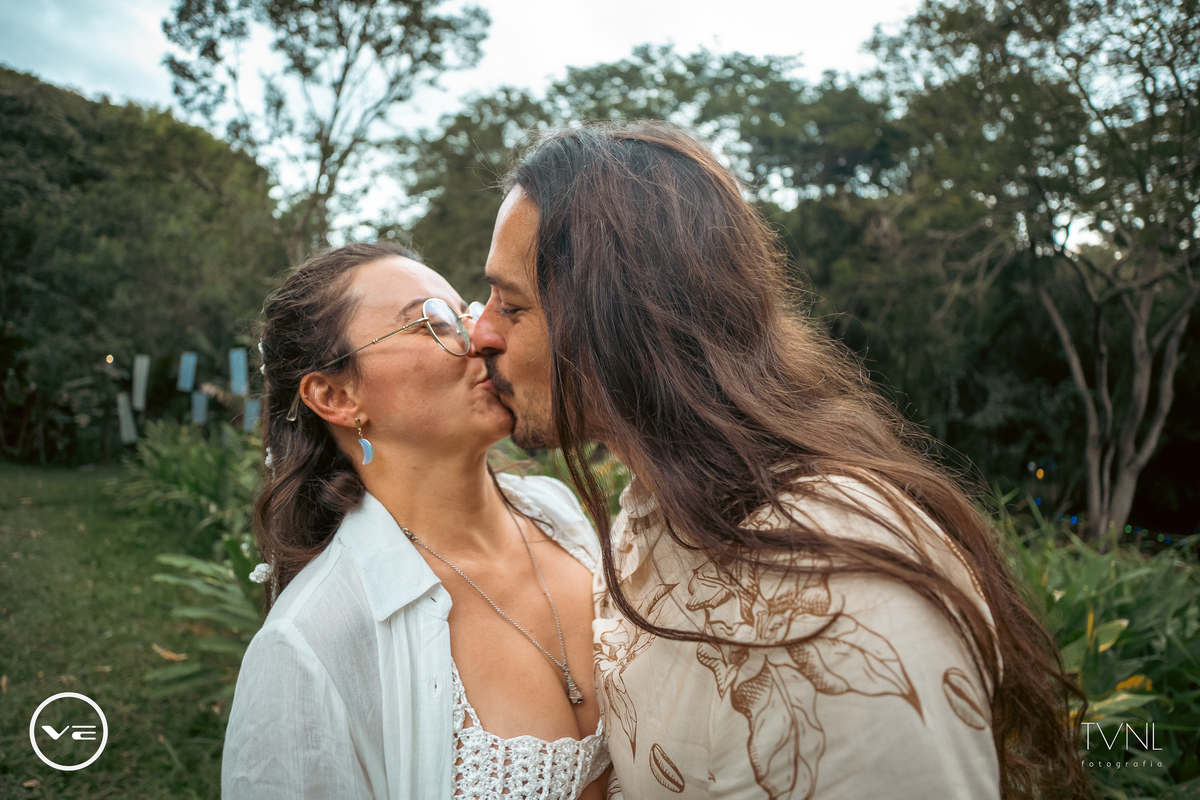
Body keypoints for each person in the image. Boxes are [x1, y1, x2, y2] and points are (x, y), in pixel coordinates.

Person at [470, 122, 1090, 799]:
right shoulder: (653, 520)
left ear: (626, 325)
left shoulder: (827, 590)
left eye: (512, 305)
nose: (480, 333)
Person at [221, 241, 611, 799]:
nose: (481, 336)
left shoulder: (559, 513)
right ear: (335, 395)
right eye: (434, 322)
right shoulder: (310, 643)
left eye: (468, 313)